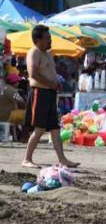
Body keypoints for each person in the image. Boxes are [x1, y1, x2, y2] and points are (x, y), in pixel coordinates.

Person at [22, 25, 79, 169]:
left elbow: (50, 72)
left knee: (55, 129)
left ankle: (62, 159)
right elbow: (33, 74)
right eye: (47, 38)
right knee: (39, 129)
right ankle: (27, 159)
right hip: (39, 93)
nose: (50, 40)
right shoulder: (33, 53)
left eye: (50, 37)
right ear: (37, 39)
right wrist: (50, 84)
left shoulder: (47, 54)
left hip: (50, 93)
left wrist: (56, 83)